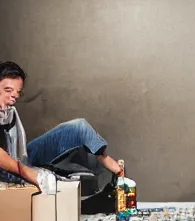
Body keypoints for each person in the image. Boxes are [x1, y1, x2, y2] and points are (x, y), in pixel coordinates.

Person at [0, 61, 123, 194]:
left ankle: (111, 167)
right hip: (7, 170)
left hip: (21, 159)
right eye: (8, 90)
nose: (15, 96)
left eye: (18, 92)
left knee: (79, 127)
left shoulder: (9, 112)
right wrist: (29, 173)